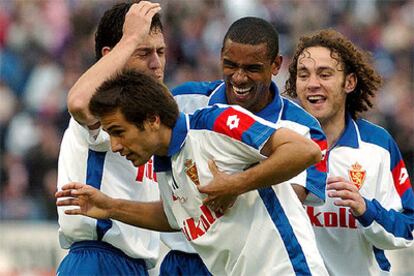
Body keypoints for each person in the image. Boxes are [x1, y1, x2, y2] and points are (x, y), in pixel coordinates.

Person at [56, 69, 329, 276]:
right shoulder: (164, 164)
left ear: (152, 119)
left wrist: (236, 184)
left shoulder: (214, 123)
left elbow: (305, 151)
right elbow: (173, 217)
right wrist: (111, 207)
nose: (115, 146)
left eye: (118, 132)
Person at [284, 29, 414, 275]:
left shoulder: (378, 146)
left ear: (350, 82)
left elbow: (407, 230)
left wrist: (366, 209)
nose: (313, 84)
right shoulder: (277, 141)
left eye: (325, 74)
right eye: (303, 75)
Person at [172, 17, 327, 209]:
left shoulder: (306, 130)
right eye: (230, 65)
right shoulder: (184, 100)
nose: (239, 77)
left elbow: (290, 202)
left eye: (252, 68)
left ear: (276, 65)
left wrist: (235, 185)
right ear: (221, 56)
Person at [56, 2, 164, 275]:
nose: (156, 64)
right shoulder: (104, 107)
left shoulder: (154, 119)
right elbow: (78, 102)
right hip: (97, 260)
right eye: (143, 52)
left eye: (161, 52)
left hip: (136, 266)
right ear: (111, 55)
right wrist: (130, 38)